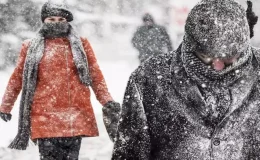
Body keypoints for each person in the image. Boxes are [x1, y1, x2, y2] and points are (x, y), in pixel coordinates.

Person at [112, 0, 260, 159]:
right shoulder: (149, 77)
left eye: (229, 57)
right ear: (190, 44)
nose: (217, 66)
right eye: (206, 56)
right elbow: (130, 152)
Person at [0, 1, 120, 160]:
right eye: (51, 20)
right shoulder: (30, 47)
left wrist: (106, 100)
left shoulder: (81, 44)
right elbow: (17, 78)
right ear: (44, 20)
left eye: (61, 20)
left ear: (67, 21)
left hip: (75, 115)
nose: (56, 23)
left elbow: (95, 75)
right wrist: (6, 106)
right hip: (44, 116)